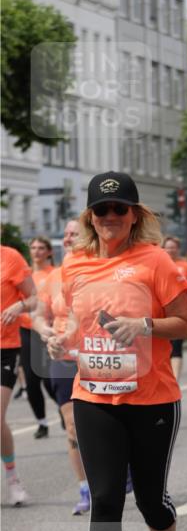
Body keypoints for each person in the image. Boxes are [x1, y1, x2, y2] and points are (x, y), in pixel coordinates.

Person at [50, 171, 187, 531]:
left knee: (152, 500)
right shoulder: (73, 265)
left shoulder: (155, 262)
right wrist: (58, 342)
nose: (110, 217)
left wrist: (145, 326)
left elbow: (185, 325)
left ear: (135, 216)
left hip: (152, 397)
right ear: (90, 217)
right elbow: (70, 327)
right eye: (101, 210)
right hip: (94, 397)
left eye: (119, 209)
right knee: (106, 499)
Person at [33, 220, 91, 515]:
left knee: (106, 424)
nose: (67, 238)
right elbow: (39, 314)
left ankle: (121, 469)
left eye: (74, 234)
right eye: (66, 234)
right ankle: (85, 487)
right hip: (63, 358)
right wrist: (45, 332)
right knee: (72, 426)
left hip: (96, 358)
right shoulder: (54, 276)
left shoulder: (99, 268)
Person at [1, 245, 36, 506]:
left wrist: (19, 306)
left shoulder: (10, 258)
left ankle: (13, 481)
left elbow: (35, 298)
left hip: (5, 348)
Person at [20, 237, 57, 439]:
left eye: (41, 248)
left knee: (51, 380)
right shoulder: (24, 275)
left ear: (49, 252)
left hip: (51, 331)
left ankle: (64, 406)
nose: (37, 251)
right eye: (33, 247)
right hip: (27, 330)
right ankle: (42, 423)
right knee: (32, 382)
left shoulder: (55, 274)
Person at [162, 237, 187, 380]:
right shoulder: (158, 264)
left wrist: (186, 297)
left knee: (177, 344)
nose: (171, 250)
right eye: (168, 247)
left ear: (178, 249)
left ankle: (175, 378)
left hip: (179, 310)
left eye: (173, 247)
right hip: (161, 311)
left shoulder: (185, 265)